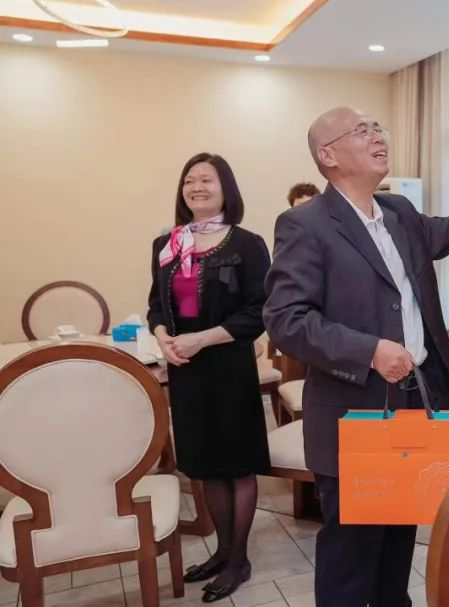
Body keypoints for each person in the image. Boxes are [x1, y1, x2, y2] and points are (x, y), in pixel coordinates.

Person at [262, 106, 449, 607]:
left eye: (378, 128)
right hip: (354, 414)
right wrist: (369, 350)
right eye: (362, 130)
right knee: (351, 558)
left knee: (397, 546)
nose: (377, 136)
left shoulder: (398, 213)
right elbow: (286, 319)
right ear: (328, 155)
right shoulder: (306, 224)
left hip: (414, 404)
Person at [147, 152, 271, 603]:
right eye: (189, 181)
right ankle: (222, 551)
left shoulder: (247, 244)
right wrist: (163, 337)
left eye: (207, 180)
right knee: (206, 465)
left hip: (229, 366)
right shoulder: (167, 244)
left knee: (236, 464)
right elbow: (156, 306)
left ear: (225, 189)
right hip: (187, 370)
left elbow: (260, 311)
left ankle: (238, 561)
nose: (196, 187)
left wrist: (202, 339)